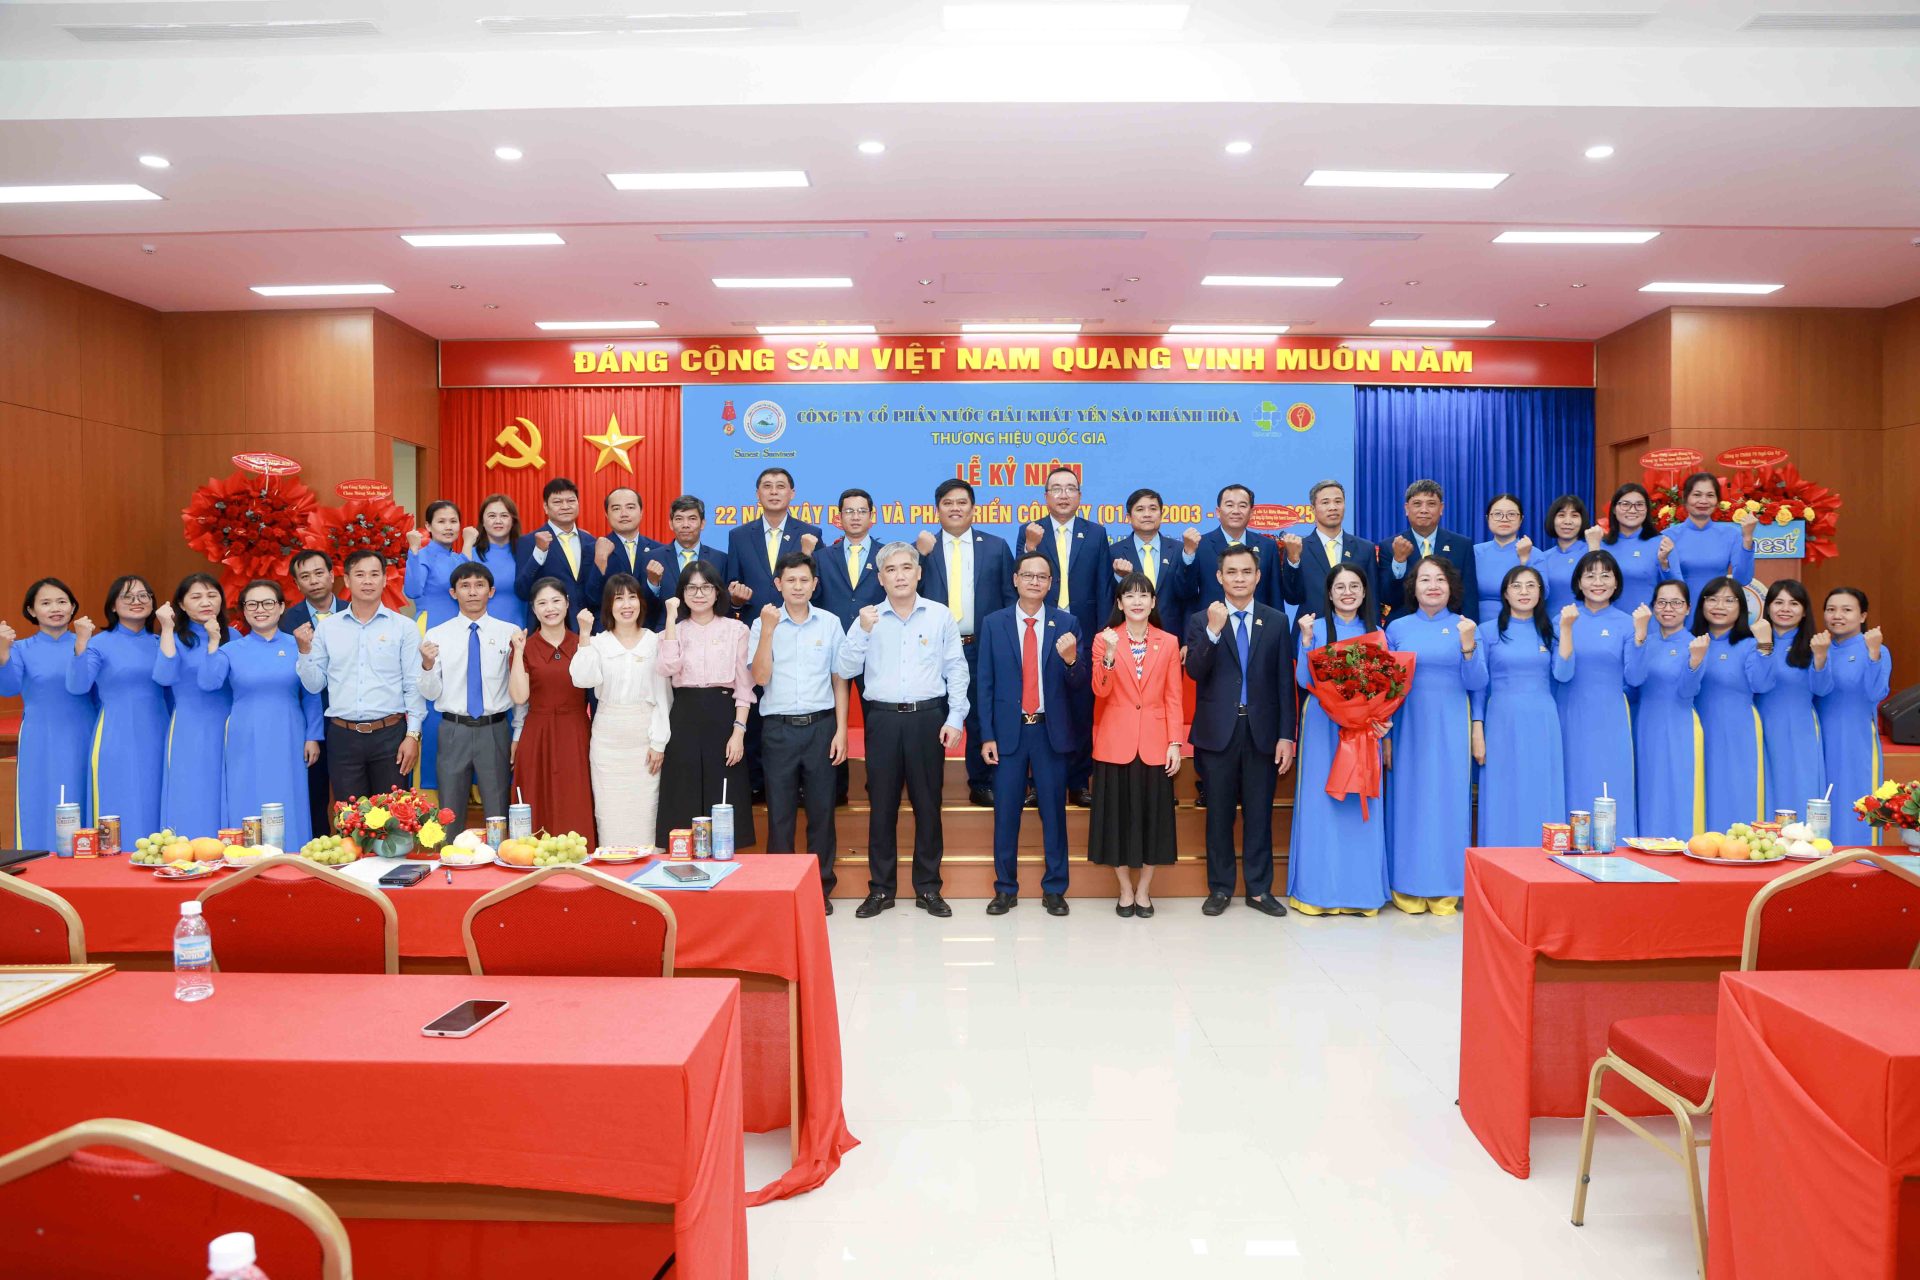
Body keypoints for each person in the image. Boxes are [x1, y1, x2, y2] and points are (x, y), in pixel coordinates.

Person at [836, 541, 968, 919]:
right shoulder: (867, 618)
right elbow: (844, 669)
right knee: (882, 808)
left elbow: (957, 669)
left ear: (918, 573)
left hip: (928, 719)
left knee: (928, 806)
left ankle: (928, 887)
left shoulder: (940, 616)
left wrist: (955, 718)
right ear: (880, 578)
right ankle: (881, 889)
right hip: (883, 721)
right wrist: (862, 632)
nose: (899, 576)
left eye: (906, 568)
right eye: (890, 570)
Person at [1184, 543, 1295, 917]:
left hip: (1262, 732)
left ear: (1258, 576)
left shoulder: (1275, 621)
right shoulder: (1202, 620)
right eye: (1231, 572)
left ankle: (1259, 890)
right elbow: (1194, 671)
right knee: (1218, 815)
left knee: (1259, 814)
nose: (1239, 578)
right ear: (1219, 577)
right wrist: (1214, 633)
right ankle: (1220, 888)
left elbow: (1284, 684)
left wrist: (1286, 735)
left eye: (1246, 571)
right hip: (1218, 733)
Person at [977, 551, 1088, 916]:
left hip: (1049, 733)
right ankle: (1005, 889)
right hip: (1008, 734)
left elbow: (1080, 686)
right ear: (1015, 580)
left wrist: (1072, 660)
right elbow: (985, 683)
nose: (1035, 582)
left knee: (1053, 814)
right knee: (1005, 814)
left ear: (1051, 583)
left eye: (1042, 577)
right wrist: (987, 735)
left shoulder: (1067, 623)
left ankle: (1055, 889)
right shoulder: (994, 623)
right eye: (1028, 575)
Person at [1383, 558, 1485, 914]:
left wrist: (1468, 647)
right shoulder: (1397, 628)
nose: (1432, 586)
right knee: (1409, 802)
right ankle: (1408, 885)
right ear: (1413, 587)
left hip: (1451, 724)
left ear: (1451, 587)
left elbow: (1478, 683)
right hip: (1408, 726)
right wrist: (1386, 736)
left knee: (1448, 802)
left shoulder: (1466, 626)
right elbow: (1386, 687)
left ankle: (1446, 887)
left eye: (1440, 579)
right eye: (1424, 579)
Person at [1288, 565, 1392, 916]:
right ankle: (1318, 892)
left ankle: (1360, 893)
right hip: (1323, 725)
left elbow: (1386, 686)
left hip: (1363, 729)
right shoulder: (1314, 628)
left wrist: (1380, 717)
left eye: (1355, 586)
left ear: (1364, 592)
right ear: (1329, 594)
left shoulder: (1377, 633)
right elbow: (1303, 680)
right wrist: (1305, 641)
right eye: (1340, 587)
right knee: (1321, 803)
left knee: (1360, 804)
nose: (1348, 592)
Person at [749, 553, 849, 907]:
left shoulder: (830, 623)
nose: (797, 586)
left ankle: (819, 889)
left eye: (804, 580)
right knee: (780, 814)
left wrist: (841, 730)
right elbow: (760, 677)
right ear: (778, 584)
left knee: (822, 812)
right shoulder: (763, 623)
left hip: (821, 727)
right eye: (790, 580)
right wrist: (768, 631)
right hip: (778, 730)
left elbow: (840, 679)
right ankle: (781, 890)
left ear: (814, 584)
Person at [913, 478, 1014, 807]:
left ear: (973, 508)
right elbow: (905, 591)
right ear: (937, 509)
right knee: (931, 717)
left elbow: (1009, 599)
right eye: (947, 503)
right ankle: (927, 787)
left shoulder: (996, 547)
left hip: (979, 646)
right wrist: (919, 556)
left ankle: (982, 782)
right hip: (932, 649)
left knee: (981, 715)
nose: (955, 508)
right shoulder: (922, 549)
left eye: (961, 502)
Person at [1088, 571, 1184, 917]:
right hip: (1115, 742)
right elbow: (1100, 690)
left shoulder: (1168, 642)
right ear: (1119, 602)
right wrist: (1110, 655)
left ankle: (1144, 889)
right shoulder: (1104, 639)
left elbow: (1174, 696)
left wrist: (1175, 742)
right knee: (1116, 821)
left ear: (1153, 601)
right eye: (1130, 595)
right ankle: (1124, 889)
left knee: (1152, 821)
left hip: (1156, 744)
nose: (1137, 601)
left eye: (1144, 595)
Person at [294, 548, 424, 802]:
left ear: (384, 580)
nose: (367, 581)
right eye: (360, 574)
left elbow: (413, 684)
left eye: (374, 574)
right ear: (347, 580)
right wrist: (304, 652)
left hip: (390, 735)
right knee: (349, 817)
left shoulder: (404, 627)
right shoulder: (328, 628)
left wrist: (412, 735)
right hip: (343, 736)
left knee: (392, 817)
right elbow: (314, 685)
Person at [201, 579, 323, 849]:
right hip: (244, 735)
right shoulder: (231, 650)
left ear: (281, 607)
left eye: (268, 603)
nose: (260, 609)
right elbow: (208, 682)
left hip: (289, 733)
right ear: (243, 610)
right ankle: (246, 857)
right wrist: (213, 642)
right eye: (252, 604)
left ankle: (292, 854)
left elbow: (311, 693)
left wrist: (313, 736)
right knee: (245, 794)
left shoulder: (298, 645)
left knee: (288, 795)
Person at [725, 467, 821, 799]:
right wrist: (736, 598)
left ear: (792, 493)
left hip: (799, 633)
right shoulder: (739, 535)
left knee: (796, 706)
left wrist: (809, 554)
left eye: (781, 486)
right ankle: (756, 782)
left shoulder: (810, 533)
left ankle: (802, 783)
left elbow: (816, 587)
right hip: (757, 632)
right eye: (767, 486)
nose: (774, 491)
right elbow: (731, 588)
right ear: (758, 494)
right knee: (754, 708)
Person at [654, 560, 756, 849]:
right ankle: (682, 860)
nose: (699, 594)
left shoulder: (736, 630)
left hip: (722, 714)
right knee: (682, 791)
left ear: (717, 591)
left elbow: (744, 686)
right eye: (691, 588)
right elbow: (667, 667)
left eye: (706, 587)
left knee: (723, 792)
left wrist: (738, 732)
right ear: (682, 593)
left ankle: (725, 859)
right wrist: (671, 618)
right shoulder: (670, 632)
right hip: (683, 715)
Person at [1020, 467, 1107, 804]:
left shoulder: (1095, 533)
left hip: (1083, 629)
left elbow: (1103, 586)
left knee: (1080, 707)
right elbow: (1021, 578)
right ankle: (1037, 782)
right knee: (1041, 705)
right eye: (1056, 489)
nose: (1063, 495)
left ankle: (1079, 781)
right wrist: (1029, 546)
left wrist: (1102, 634)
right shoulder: (1031, 530)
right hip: (1040, 628)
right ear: (1045, 496)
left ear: (1080, 496)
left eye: (1070, 488)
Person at [418, 562, 525, 827]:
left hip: (495, 729)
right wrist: (427, 666)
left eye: (479, 585)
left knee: (498, 811)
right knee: (450, 811)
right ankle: (450, 852)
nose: (473, 592)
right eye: (465, 586)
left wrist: (518, 733)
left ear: (491, 591)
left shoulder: (510, 633)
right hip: (453, 730)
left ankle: (499, 852)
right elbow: (430, 693)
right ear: (453, 593)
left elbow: (520, 689)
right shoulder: (437, 634)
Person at [1472, 566, 1573, 846]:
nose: (1524, 592)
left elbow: (1564, 674)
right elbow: (1479, 685)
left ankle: (1543, 859)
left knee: (1541, 788)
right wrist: (1477, 727)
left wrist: (1566, 630)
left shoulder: (1551, 630)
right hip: (1501, 720)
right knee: (1502, 790)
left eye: (1531, 585)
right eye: (1516, 586)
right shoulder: (1487, 631)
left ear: (1541, 593)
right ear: (1505, 593)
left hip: (1542, 720)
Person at [571, 573, 672, 848]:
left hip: (644, 738)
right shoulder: (598, 642)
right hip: (607, 739)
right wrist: (584, 635)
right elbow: (583, 679)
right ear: (608, 605)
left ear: (641, 602)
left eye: (632, 597)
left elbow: (663, 697)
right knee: (609, 816)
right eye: (619, 599)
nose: (626, 605)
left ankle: (647, 871)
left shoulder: (654, 641)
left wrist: (659, 742)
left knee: (647, 815)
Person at [65, 575, 165, 836]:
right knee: (118, 798)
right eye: (127, 596)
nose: (136, 601)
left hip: (159, 731)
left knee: (156, 797)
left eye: (143, 595)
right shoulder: (99, 643)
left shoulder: (162, 642)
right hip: (115, 733)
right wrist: (80, 644)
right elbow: (78, 686)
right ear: (112, 605)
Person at [0, 578, 94, 850]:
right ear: (31, 610)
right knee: (39, 797)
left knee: (84, 794)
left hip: (84, 731)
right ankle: (39, 857)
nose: (55, 608)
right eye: (46, 603)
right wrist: (3, 652)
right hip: (40, 736)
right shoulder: (21, 649)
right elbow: (8, 688)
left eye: (62, 601)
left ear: (73, 607)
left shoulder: (89, 644)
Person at [1556, 550, 1638, 835]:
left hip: (1610, 716)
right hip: (1571, 712)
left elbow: (1636, 677)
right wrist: (1567, 629)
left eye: (1606, 575)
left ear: (1617, 582)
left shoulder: (1627, 622)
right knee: (1572, 779)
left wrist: (1641, 638)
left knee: (1612, 780)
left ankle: (1616, 847)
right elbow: (1562, 674)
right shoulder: (1563, 619)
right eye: (1590, 576)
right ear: (1579, 582)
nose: (1598, 582)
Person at [508, 578, 596, 844]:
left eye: (556, 601)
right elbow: (520, 696)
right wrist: (518, 650)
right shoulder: (525, 646)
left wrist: (585, 637)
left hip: (576, 731)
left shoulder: (583, 642)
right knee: (538, 798)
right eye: (542, 603)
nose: (550, 608)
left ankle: (580, 857)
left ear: (567, 603)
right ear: (533, 609)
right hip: (538, 732)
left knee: (576, 797)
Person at [816, 487, 884, 805]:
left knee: (877, 721)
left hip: (875, 651)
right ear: (838, 517)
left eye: (861, 511)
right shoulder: (822, 558)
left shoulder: (886, 556)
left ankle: (879, 784)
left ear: (872, 517)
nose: (855, 517)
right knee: (831, 720)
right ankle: (836, 787)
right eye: (849, 511)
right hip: (832, 652)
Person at [1626, 581, 1709, 838]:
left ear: (1688, 608)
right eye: (1662, 602)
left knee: (1678, 789)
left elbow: (1687, 692)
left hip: (1678, 726)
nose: (1668, 608)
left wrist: (1695, 662)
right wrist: (1639, 639)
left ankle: (1680, 845)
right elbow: (1634, 679)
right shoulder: (1643, 640)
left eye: (1676, 603)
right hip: (1645, 724)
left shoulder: (1695, 644)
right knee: (1648, 790)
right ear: (1653, 607)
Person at [1691, 576, 1774, 830]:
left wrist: (1765, 645)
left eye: (1729, 600)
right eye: (1713, 599)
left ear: (1742, 607)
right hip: (1694, 728)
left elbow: (1762, 684)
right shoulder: (1690, 641)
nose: (1719, 606)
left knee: (1734, 791)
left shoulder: (1749, 645)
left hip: (1736, 730)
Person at [153, 573, 233, 838]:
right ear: (182, 604)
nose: (206, 602)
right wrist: (166, 628)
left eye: (212, 595)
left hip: (228, 725)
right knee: (191, 790)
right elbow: (164, 676)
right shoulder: (175, 637)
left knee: (227, 789)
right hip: (189, 727)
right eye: (196, 597)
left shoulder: (233, 636)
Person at [1813, 586, 1890, 846]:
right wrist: (1820, 656)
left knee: (1854, 798)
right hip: (1819, 738)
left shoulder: (1876, 649)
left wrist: (1874, 654)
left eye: (1847, 610)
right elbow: (1816, 690)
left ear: (1863, 616)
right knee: (1820, 800)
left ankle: (1858, 857)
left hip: (1855, 739)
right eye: (1831, 609)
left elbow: (1876, 692)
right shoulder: (1819, 647)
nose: (1837, 616)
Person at [281, 549, 344, 838]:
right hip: (308, 722)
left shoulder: (354, 611)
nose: (314, 581)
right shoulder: (286, 620)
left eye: (319, 573)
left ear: (332, 575)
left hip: (350, 720)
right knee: (313, 795)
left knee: (352, 795)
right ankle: (317, 851)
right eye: (305, 576)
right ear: (297, 584)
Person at [1755, 580, 1828, 819]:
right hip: (1761, 727)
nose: (1785, 609)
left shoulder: (1814, 645)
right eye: (1779, 602)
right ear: (1768, 607)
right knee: (1763, 789)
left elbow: (1822, 690)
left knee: (1799, 787)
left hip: (1798, 729)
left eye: (1794, 603)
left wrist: (1820, 659)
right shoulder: (1753, 642)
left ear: (1804, 611)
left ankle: (1800, 838)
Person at [1281, 479, 1381, 627]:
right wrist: (1293, 560)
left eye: (1338, 501)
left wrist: (1374, 634)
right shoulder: (1298, 548)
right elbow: (1292, 598)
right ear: (1313, 509)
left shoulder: (1365, 549)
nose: (1333, 507)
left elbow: (1372, 600)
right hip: (1312, 632)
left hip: (1354, 634)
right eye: (1325, 502)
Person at [1108, 487, 1193, 643]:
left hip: (1172, 637)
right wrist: (1120, 578)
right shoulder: (1113, 552)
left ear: (1161, 514)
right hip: (1127, 639)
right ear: (1128, 517)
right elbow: (1107, 598)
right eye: (1140, 509)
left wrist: (1188, 641)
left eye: (1153, 509)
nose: (1147, 514)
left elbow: (1188, 598)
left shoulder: (1180, 550)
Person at [1385, 479, 1478, 619]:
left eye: (1431, 504)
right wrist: (1399, 561)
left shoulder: (1462, 545)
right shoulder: (1389, 546)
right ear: (1406, 509)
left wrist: (1469, 627)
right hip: (1404, 623)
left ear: (1441, 508)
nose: (1424, 510)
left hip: (1451, 624)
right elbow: (1387, 597)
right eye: (1417, 504)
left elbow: (1469, 596)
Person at [1658, 472, 1757, 601]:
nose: (1703, 501)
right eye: (1697, 495)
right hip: (1681, 608)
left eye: (1710, 495)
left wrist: (1747, 539)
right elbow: (1665, 583)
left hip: (1718, 607)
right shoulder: (1667, 536)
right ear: (1685, 498)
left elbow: (1742, 579)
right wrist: (1664, 564)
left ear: (1717, 501)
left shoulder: (1731, 534)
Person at [1184, 482, 1283, 611]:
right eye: (1230, 505)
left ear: (1251, 512)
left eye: (1242, 506)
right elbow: (1185, 591)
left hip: (1258, 622)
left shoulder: (1268, 546)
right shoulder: (1200, 545)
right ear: (1218, 512)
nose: (1236, 511)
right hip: (1212, 621)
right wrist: (1188, 555)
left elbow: (1276, 597)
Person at [514, 476, 598, 620]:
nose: (565, 506)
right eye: (557, 502)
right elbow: (522, 590)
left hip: (588, 624)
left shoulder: (590, 541)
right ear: (545, 507)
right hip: (549, 624)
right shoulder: (528, 542)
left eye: (571, 501)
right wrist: (539, 552)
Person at [643, 495, 730, 632]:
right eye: (679, 519)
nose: (685, 525)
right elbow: (643, 606)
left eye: (692, 518)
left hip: (709, 634)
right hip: (665, 633)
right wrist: (653, 584)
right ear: (671, 524)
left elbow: (724, 603)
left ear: (702, 524)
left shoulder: (720, 559)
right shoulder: (652, 558)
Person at [588, 487, 662, 623]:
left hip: (649, 629)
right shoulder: (592, 549)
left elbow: (663, 601)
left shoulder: (659, 550)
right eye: (616, 508)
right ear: (606, 514)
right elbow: (591, 599)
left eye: (630, 507)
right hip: (608, 628)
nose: (624, 514)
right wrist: (601, 561)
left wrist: (653, 583)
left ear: (641, 512)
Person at [403, 499, 476, 630]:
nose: (448, 527)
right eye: (441, 521)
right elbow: (412, 592)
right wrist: (413, 550)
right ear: (428, 526)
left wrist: (468, 543)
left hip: (459, 627)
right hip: (431, 626)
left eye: (453, 521)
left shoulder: (457, 558)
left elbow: (468, 584)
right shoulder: (421, 555)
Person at [1598, 482, 1664, 613]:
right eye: (1625, 504)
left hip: (1648, 621)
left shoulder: (1661, 543)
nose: (1632, 510)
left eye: (1639, 505)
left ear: (1647, 509)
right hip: (1608, 622)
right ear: (1614, 509)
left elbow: (1675, 587)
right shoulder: (1601, 545)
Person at [1471, 494, 1532, 625]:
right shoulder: (1474, 552)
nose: (1504, 519)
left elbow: (1542, 594)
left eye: (1511, 514)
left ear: (1521, 519)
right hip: (1475, 625)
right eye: (1498, 514)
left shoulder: (1534, 553)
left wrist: (1524, 561)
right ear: (1487, 518)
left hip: (1518, 624)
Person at [474, 494, 528, 630]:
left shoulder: (526, 553)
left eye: (504, 516)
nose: (498, 521)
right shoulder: (469, 555)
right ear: (482, 521)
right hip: (481, 632)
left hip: (520, 631)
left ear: (513, 521)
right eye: (492, 516)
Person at [1536, 495, 1592, 616]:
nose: (1567, 521)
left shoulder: (1592, 552)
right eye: (1561, 515)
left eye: (1574, 516)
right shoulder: (1542, 557)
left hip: (1584, 624)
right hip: (1549, 625)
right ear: (1552, 519)